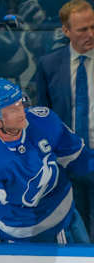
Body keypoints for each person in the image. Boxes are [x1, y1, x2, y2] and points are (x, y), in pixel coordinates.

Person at [0, 77, 91, 244]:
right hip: (23, 235)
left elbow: (79, 161)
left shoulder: (43, 120)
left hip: (67, 216)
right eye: (12, 110)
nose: (21, 114)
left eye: (20, 105)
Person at [37, 0, 94, 241]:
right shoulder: (48, 65)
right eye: (82, 29)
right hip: (66, 163)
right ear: (66, 31)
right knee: (76, 232)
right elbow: (42, 117)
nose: (90, 34)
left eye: (93, 26)